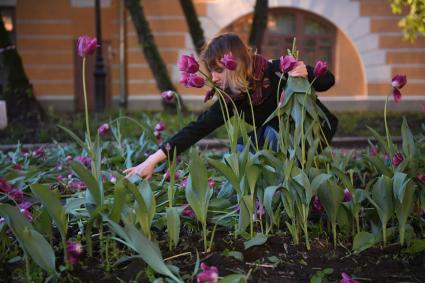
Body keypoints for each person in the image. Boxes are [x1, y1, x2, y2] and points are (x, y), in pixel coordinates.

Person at [124, 33, 337, 179]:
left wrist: (305, 72)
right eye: (211, 70)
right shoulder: (233, 98)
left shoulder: (277, 70)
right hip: (279, 139)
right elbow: (198, 128)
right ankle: (261, 196)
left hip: (314, 130)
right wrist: (152, 160)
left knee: (270, 137)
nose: (214, 78)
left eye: (218, 70)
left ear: (235, 63)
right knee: (240, 150)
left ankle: (291, 189)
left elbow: (327, 82)